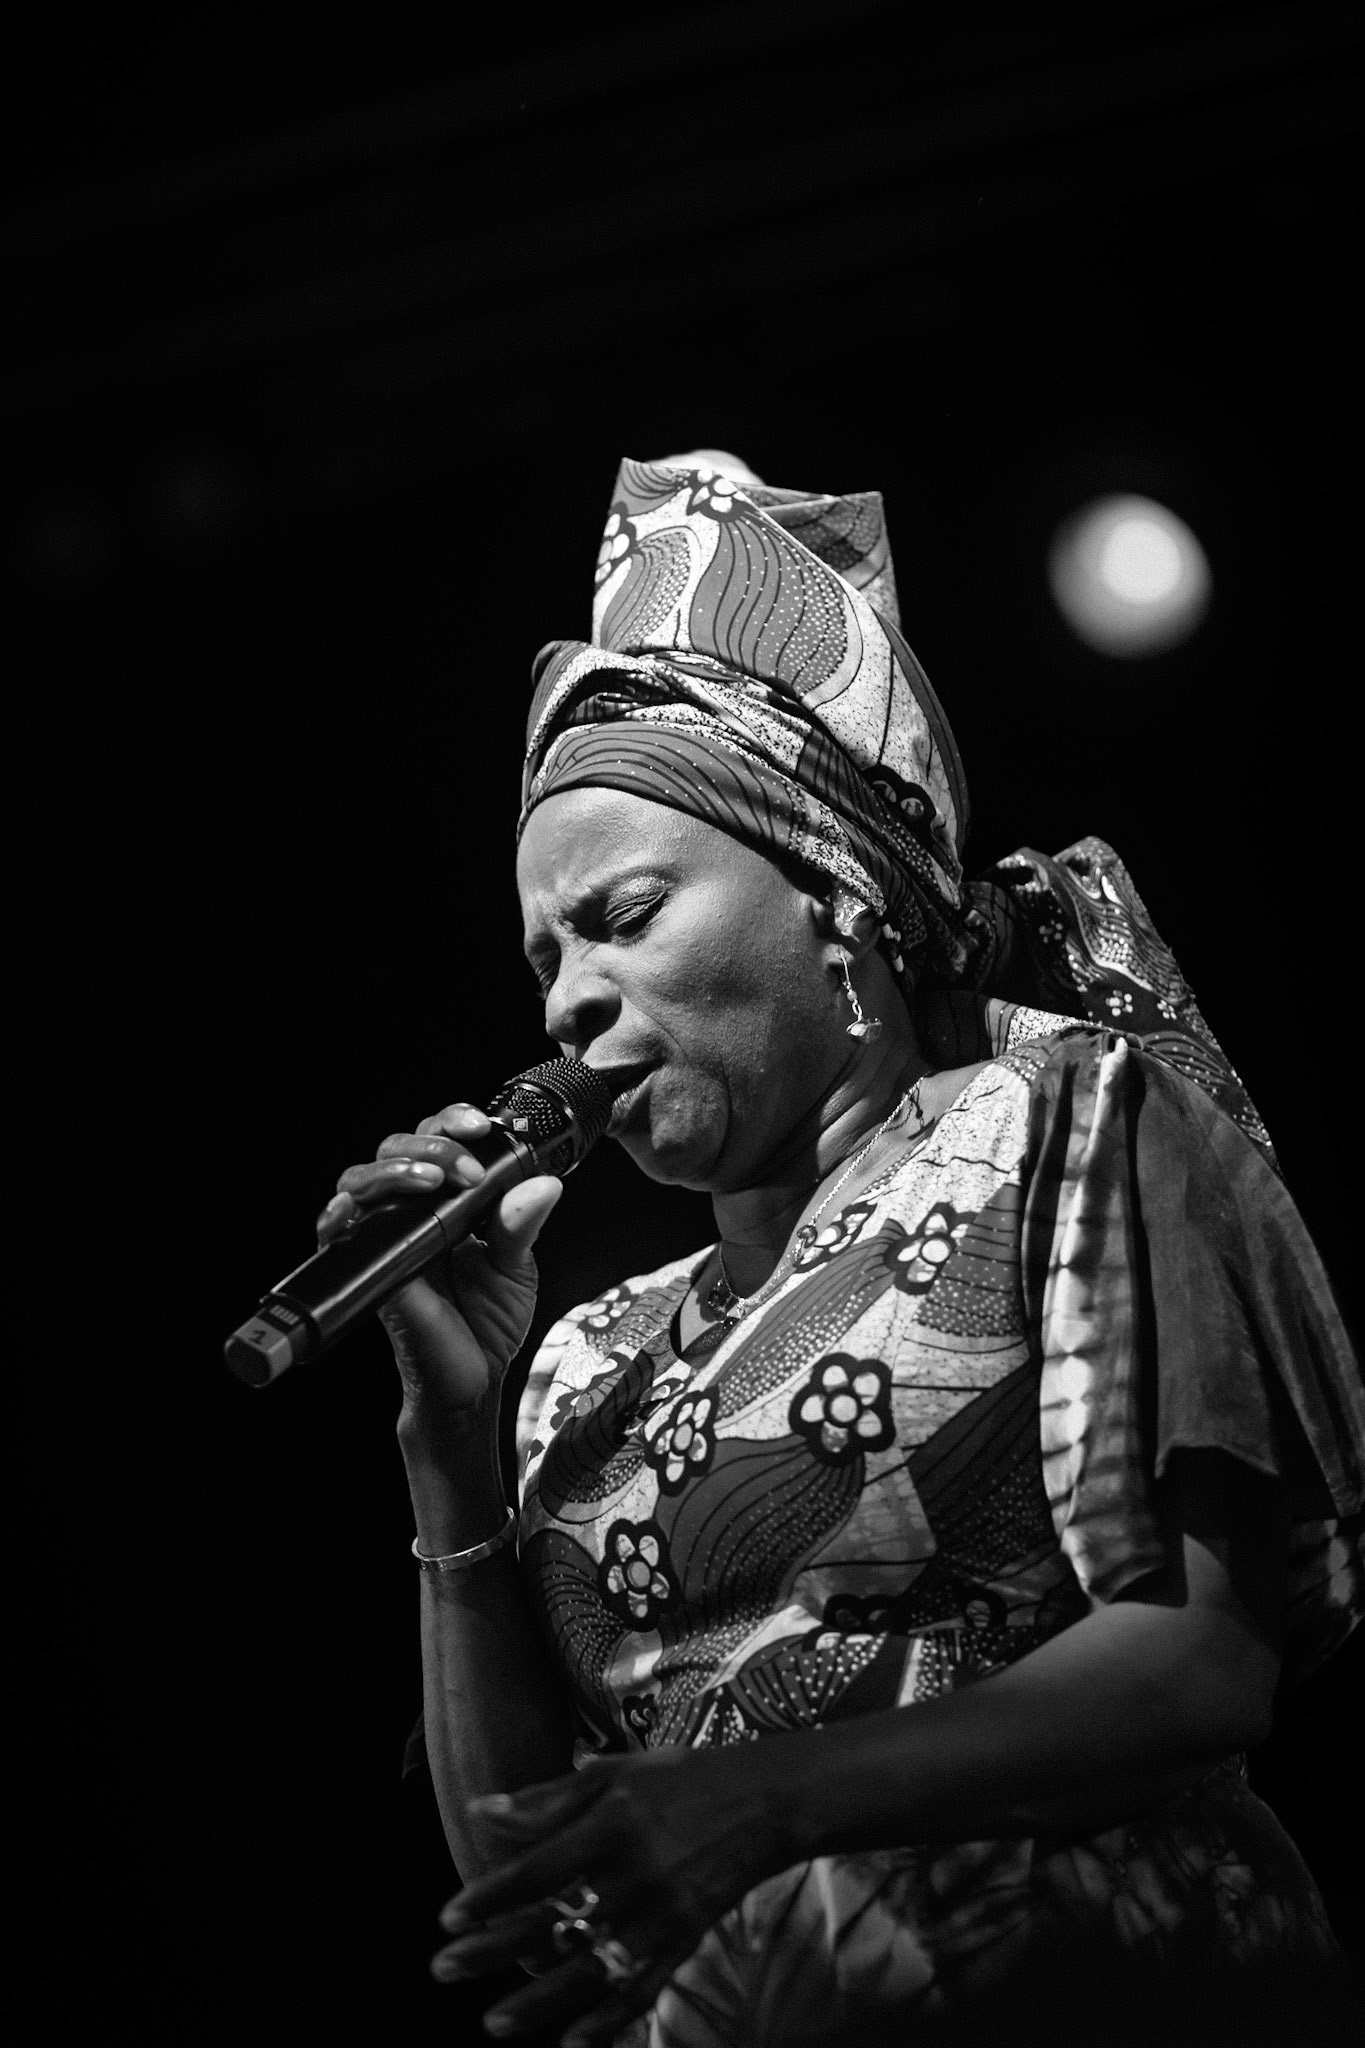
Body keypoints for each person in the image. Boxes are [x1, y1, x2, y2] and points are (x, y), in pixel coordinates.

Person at [319, 453, 1364, 2048]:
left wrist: (754, 1806)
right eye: (544, 957)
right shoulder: (588, 1355)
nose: (566, 999)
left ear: (834, 896)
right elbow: (534, 1889)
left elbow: (1201, 1663)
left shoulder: (1061, 1117)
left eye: (623, 914)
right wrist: (450, 1442)